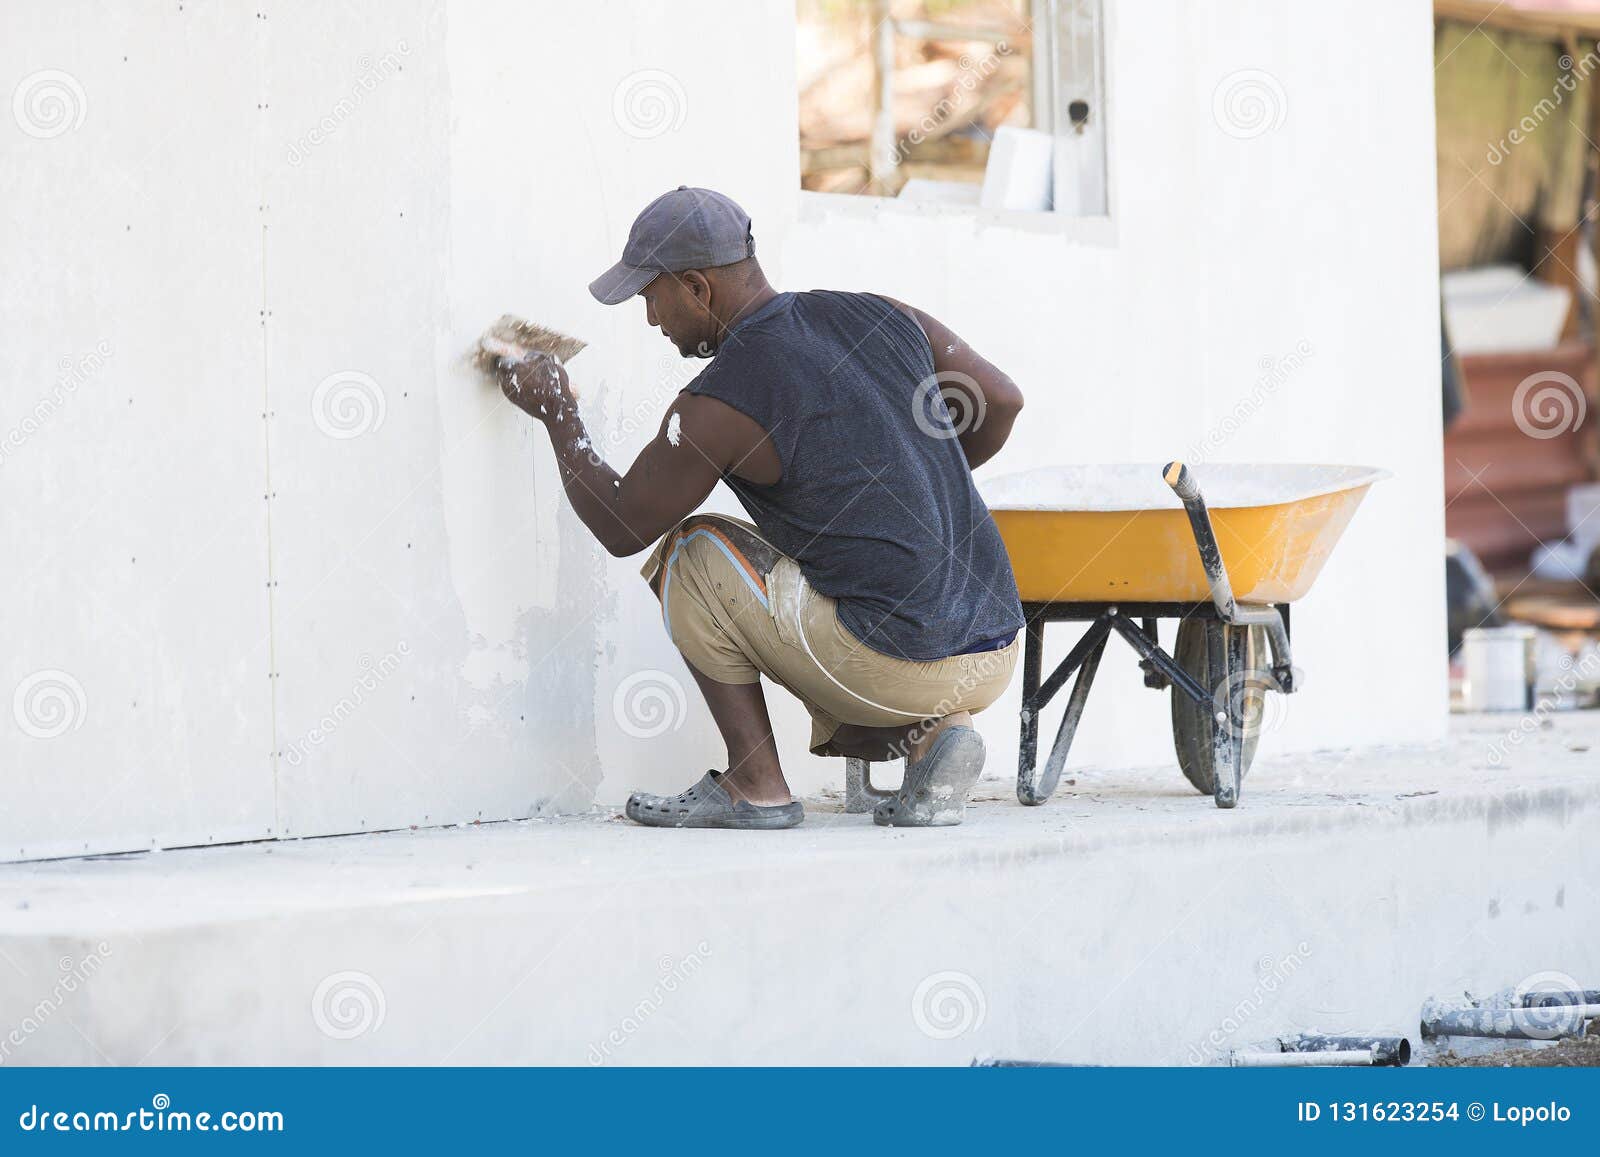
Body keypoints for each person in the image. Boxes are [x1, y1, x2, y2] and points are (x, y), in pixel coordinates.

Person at [499, 187, 1024, 829]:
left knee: (692, 553)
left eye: (650, 296)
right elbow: (1001, 399)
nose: (651, 319)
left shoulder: (722, 400)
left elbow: (622, 524)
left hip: (895, 663)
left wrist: (559, 415)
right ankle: (936, 735)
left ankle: (756, 785)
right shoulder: (878, 314)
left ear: (696, 287)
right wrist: (919, 479)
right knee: (840, 578)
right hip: (997, 645)